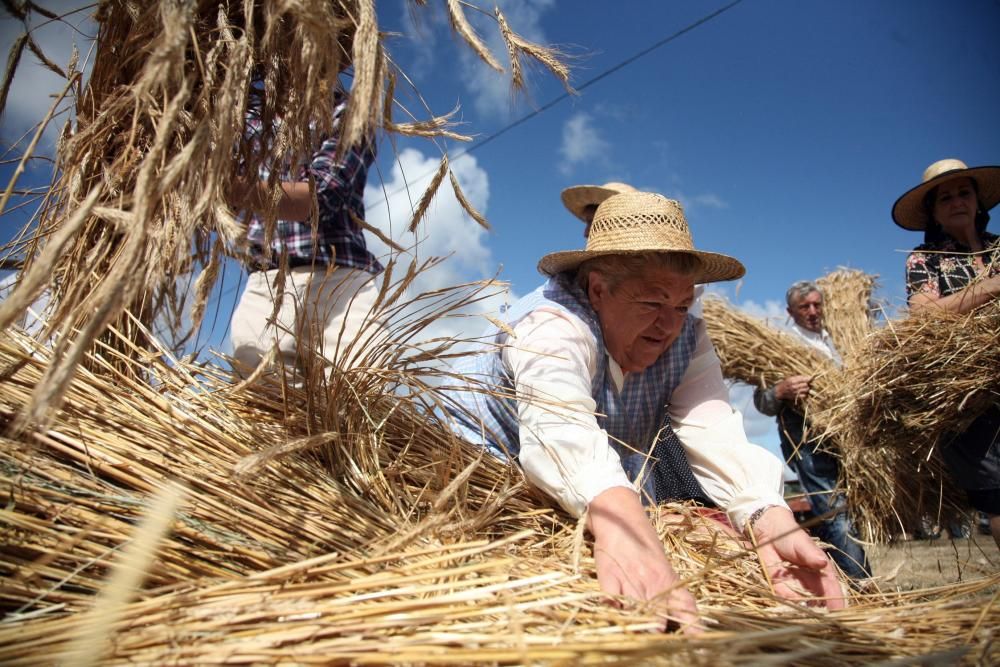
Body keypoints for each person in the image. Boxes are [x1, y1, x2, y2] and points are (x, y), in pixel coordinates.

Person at [445, 191, 845, 632]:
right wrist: (624, 529)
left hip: (584, 492)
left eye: (681, 305)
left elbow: (714, 431)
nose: (669, 325)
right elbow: (561, 429)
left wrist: (764, 515)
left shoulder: (689, 337)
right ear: (598, 289)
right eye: (653, 304)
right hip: (475, 478)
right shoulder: (551, 324)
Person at [227, 80, 384, 377]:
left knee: (362, 397)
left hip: (340, 282)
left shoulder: (348, 111)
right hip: (267, 284)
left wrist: (222, 188)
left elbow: (321, 197)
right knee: (263, 407)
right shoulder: (245, 117)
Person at [892, 157, 1000, 548]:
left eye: (964, 192)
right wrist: (991, 288)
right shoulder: (925, 258)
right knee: (997, 494)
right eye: (946, 197)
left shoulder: (998, 248)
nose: (957, 201)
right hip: (966, 392)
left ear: (978, 201)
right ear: (933, 213)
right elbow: (923, 312)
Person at [752, 281, 871, 580]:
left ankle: (834, 576)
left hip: (853, 441)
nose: (813, 312)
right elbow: (761, 402)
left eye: (818, 305)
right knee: (838, 514)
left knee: (853, 515)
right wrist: (780, 390)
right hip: (810, 444)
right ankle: (862, 585)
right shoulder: (780, 346)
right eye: (805, 307)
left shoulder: (841, 342)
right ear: (790, 312)